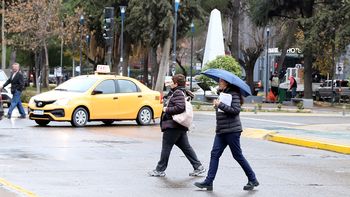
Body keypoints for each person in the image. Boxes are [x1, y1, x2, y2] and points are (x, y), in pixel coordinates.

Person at [194, 78, 259, 191]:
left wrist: (220, 105)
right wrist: (217, 105)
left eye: (220, 82)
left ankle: (252, 179)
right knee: (214, 154)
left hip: (232, 131)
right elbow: (223, 110)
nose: (219, 83)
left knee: (237, 156)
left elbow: (235, 110)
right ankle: (208, 182)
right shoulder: (223, 94)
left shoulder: (233, 94)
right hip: (221, 130)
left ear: (226, 83)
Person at [148, 74, 205, 177]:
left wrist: (166, 110)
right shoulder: (179, 91)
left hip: (173, 125)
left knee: (166, 147)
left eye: (172, 82)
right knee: (186, 148)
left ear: (176, 83)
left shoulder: (178, 92)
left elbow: (180, 107)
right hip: (179, 126)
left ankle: (159, 170)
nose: (170, 83)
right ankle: (198, 167)